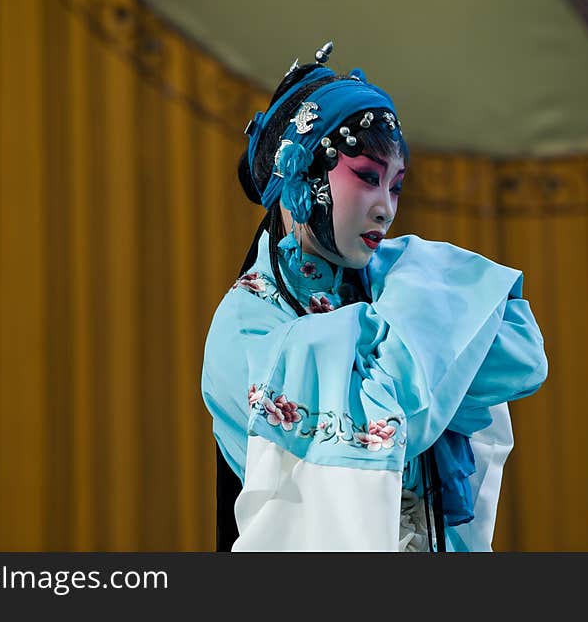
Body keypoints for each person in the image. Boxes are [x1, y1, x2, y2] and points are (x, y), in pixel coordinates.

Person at [201, 42, 548, 552]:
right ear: (301, 177)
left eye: (396, 186)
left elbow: (523, 355)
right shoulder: (244, 325)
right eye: (367, 178)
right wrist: (419, 301)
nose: (386, 209)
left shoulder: (392, 278)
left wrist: (392, 314)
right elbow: (388, 423)